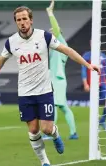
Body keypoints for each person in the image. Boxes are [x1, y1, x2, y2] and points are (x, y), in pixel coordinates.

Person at [0, 6, 100, 166]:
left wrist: (88, 65)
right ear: (16, 23)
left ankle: (55, 134)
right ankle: (44, 162)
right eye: (18, 20)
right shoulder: (12, 42)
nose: (22, 22)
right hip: (25, 93)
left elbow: (66, 50)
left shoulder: (44, 36)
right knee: (33, 130)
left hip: (44, 91)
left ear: (31, 20)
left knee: (46, 129)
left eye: (25, 19)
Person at [42, 0, 78, 140]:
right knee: (63, 107)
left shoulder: (62, 43)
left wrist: (50, 13)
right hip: (56, 79)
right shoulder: (53, 48)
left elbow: (56, 30)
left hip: (58, 79)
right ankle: (73, 133)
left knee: (53, 105)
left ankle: (51, 132)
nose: (51, 33)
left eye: (53, 32)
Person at [81, 45, 106, 131]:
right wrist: (85, 83)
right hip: (93, 83)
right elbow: (84, 69)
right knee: (95, 104)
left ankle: (102, 121)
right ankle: (95, 125)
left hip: (103, 82)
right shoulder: (87, 55)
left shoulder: (103, 56)